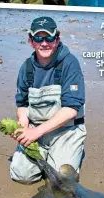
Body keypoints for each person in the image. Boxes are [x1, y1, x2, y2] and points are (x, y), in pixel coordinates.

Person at [10, 16, 87, 184]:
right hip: (36, 130)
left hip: (66, 131)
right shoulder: (26, 68)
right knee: (21, 176)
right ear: (31, 41)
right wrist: (23, 125)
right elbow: (22, 104)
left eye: (49, 37)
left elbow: (72, 108)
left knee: (61, 180)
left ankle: (71, 151)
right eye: (38, 38)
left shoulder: (70, 63)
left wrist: (36, 132)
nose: (44, 43)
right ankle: (46, 153)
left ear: (57, 39)